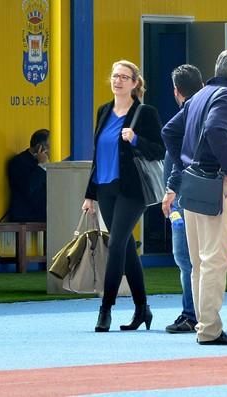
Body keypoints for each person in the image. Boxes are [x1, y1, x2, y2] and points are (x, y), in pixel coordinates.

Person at [162, 50, 227, 345]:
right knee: (215, 259)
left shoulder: (198, 96)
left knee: (200, 261)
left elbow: (169, 131)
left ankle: (204, 325)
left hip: (191, 184)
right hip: (213, 183)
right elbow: (214, 129)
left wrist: (185, 162)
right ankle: (209, 329)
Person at [83, 60, 165, 332]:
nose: (117, 81)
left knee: (116, 244)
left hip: (132, 189)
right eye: (114, 76)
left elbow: (160, 151)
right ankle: (142, 308)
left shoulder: (145, 113)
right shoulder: (103, 111)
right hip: (105, 188)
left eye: (124, 77)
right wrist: (90, 194)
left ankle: (105, 308)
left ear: (134, 83)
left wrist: (136, 139)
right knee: (126, 247)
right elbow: (98, 155)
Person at [162, 64, 204, 334]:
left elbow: (181, 159)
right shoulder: (206, 113)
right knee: (197, 259)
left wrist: (171, 189)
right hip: (199, 194)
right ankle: (198, 312)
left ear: (176, 92)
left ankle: (192, 314)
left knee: (187, 259)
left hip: (183, 196)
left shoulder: (185, 118)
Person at [7, 129, 49, 222]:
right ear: (40, 147)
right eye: (50, 147)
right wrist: (41, 165)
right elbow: (29, 187)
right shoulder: (19, 162)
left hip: (44, 217)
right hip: (25, 218)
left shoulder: (48, 164)